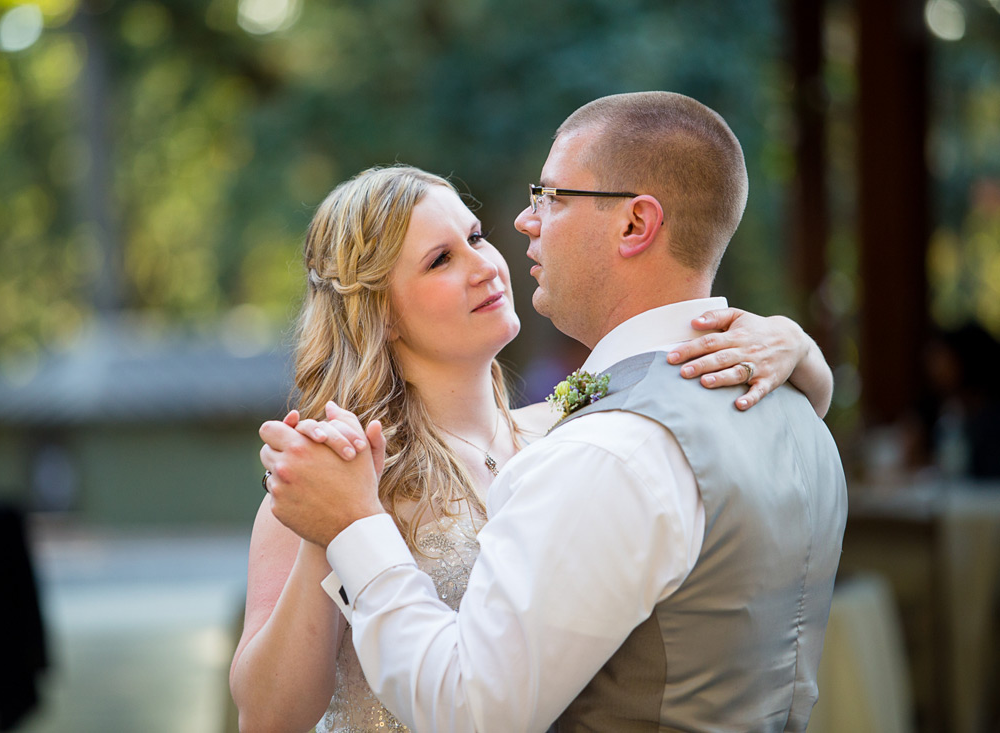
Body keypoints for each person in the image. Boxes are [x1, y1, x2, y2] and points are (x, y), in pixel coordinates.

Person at [238, 130, 839, 731]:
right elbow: (267, 720)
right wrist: (331, 529)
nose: (485, 266)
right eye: (440, 260)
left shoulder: (575, 433)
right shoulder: (340, 478)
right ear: (382, 314)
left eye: (474, 238)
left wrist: (798, 346)